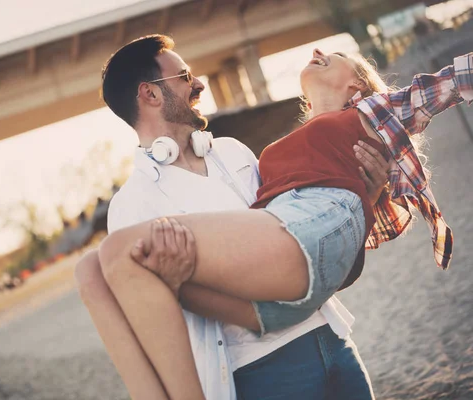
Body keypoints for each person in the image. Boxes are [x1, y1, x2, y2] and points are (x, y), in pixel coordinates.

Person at [83, 34, 473, 399]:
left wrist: (365, 202)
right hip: (261, 373)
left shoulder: (235, 154)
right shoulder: (132, 206)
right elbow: (158, 325)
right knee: (96, 267)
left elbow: (318, 259)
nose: (198, 84)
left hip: (333, 341)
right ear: (149, 93)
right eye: (184, 76)